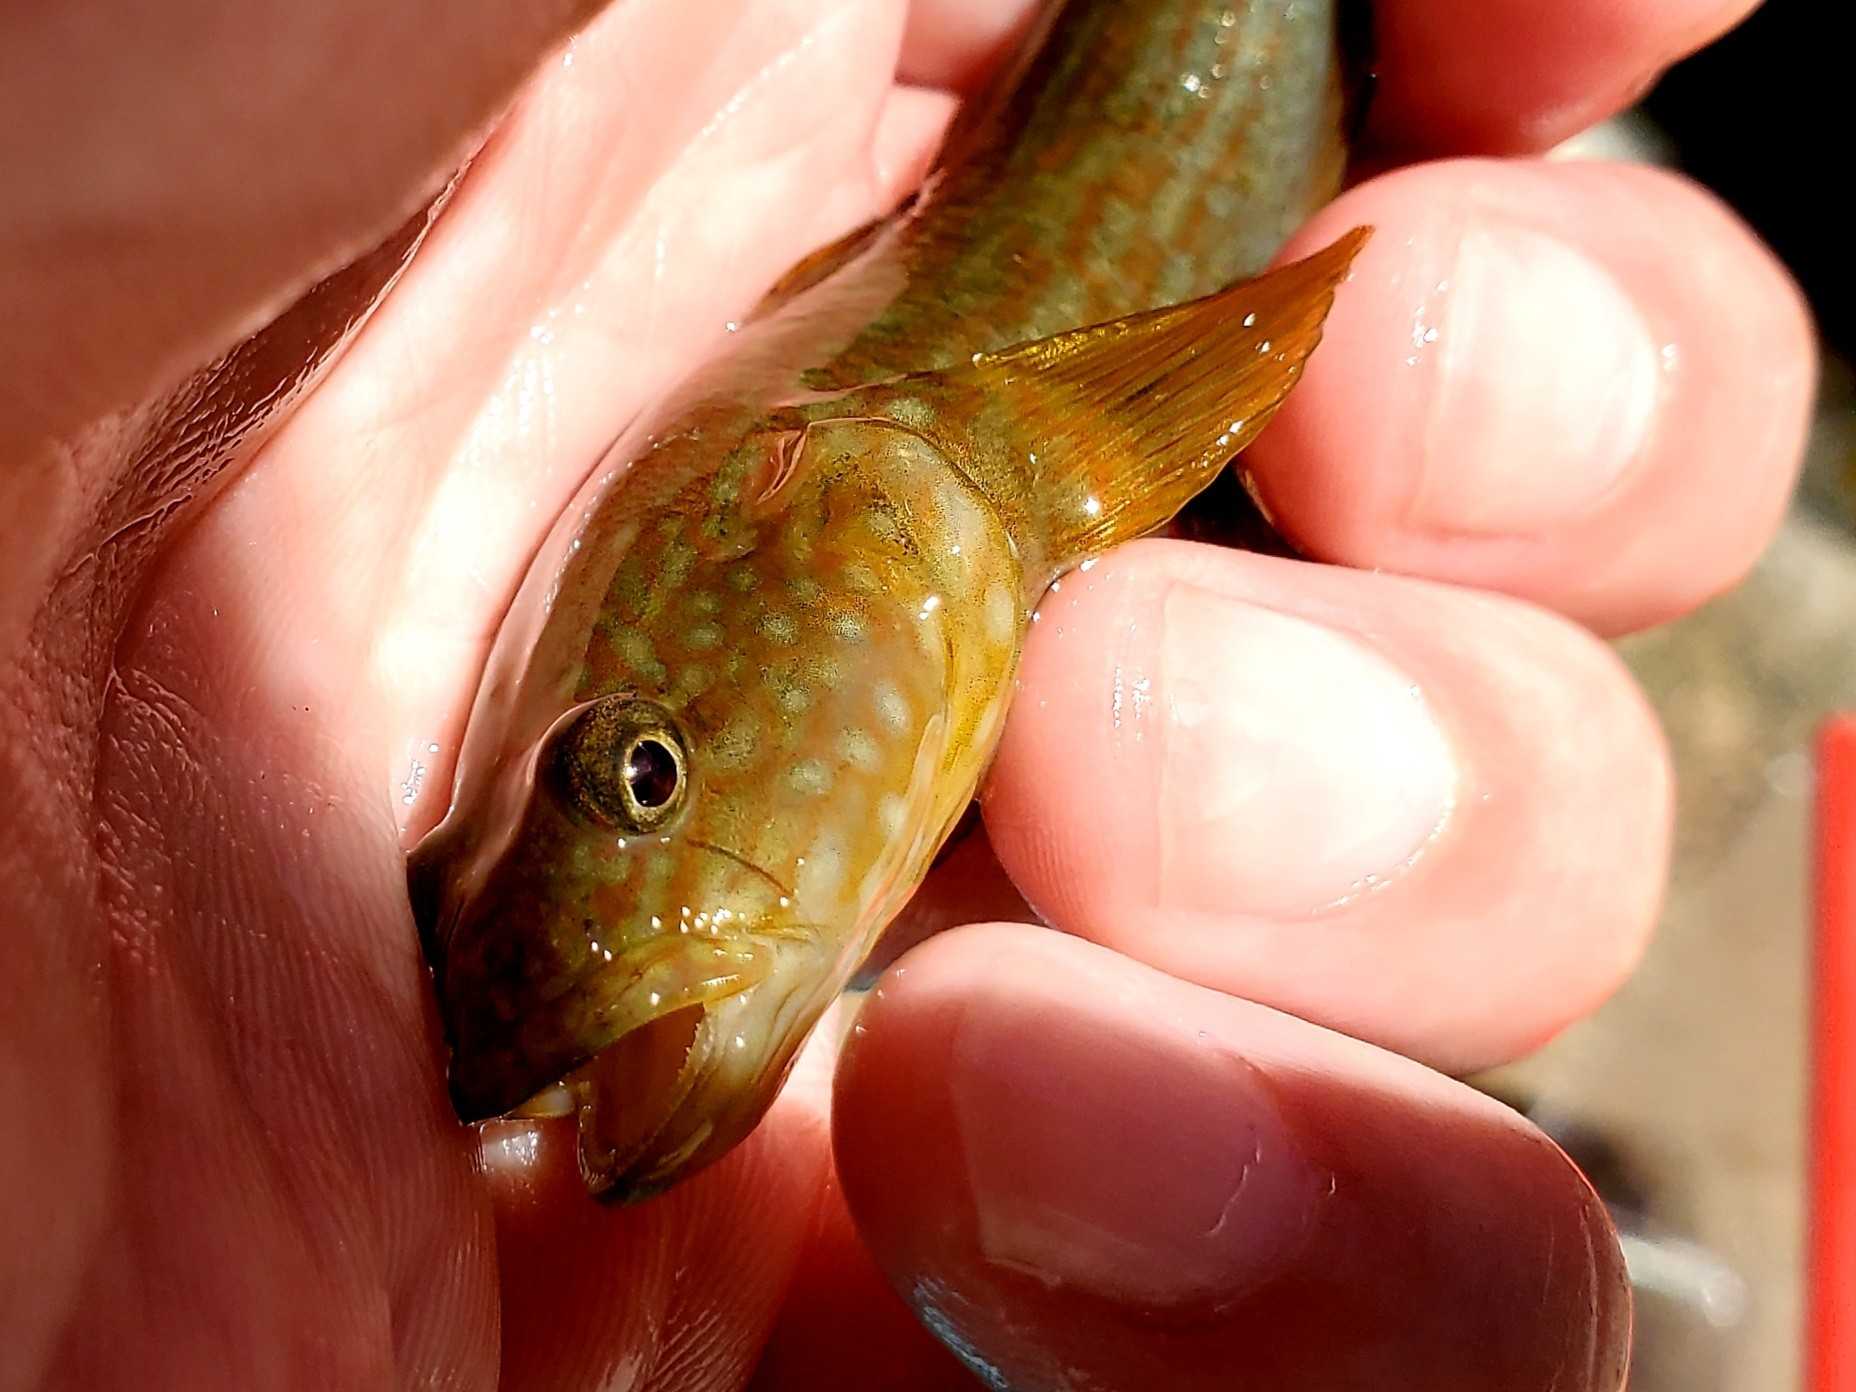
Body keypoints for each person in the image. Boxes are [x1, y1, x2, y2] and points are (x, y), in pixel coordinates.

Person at [0, 0, 1812, 1387]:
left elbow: (1320, 322)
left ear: (824, 511)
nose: (638, 824)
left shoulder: (927, 471)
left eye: (642, 777)